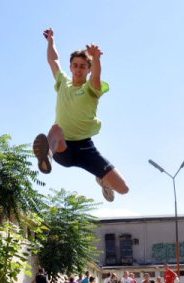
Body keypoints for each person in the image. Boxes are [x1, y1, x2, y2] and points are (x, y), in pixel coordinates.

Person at [34, 28, 129, 202]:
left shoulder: (91, 88)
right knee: (56, 129)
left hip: (86, 148)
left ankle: (103, 180)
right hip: (63, 148)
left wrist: (97, 59)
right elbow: (53, 59)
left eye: (83, 66)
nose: (78, 70)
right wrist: (50, 41)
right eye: (75, 66)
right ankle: (46, 155)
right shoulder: (63, 82)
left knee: (124, 188)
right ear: (70, 67)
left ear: (89, 69)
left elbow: (97, 77)